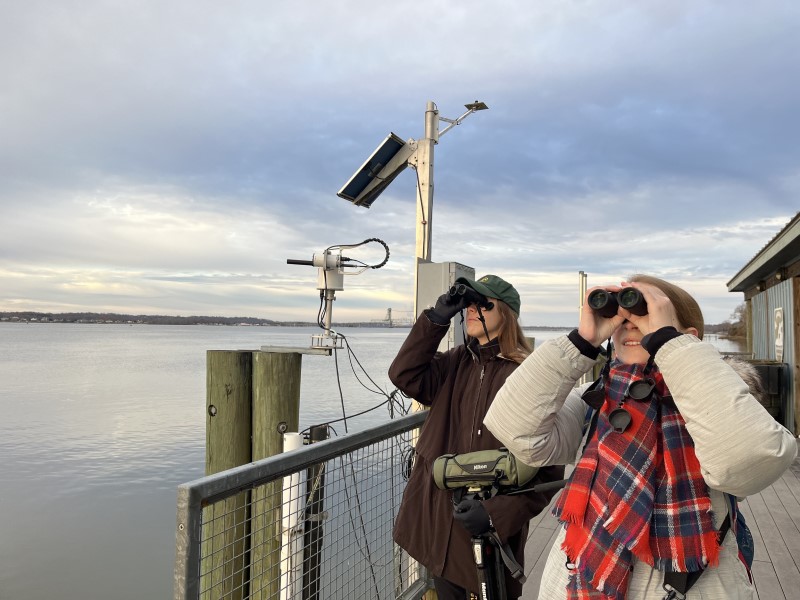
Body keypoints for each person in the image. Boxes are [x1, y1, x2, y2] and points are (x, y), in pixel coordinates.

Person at [483, 274, 797, 600]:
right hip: (580, 578)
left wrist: (668, 344)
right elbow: (516, 430)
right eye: (622, 318)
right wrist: (582, 340)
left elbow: (749, 458)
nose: (631, 324)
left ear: (688, 338)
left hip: (690, 586)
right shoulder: (598, 397)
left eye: (648, 314)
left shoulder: (719, 400)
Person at [389, 274, 566, 600]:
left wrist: (496, 516)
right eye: (467, 304)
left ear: (506, 314)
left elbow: (550, 471)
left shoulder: (527, 374)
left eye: (481, 304)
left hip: (486, 532)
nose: (471, 310)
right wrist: (437, 317)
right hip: (439, 524)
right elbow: (404, 374)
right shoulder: (454, 363)